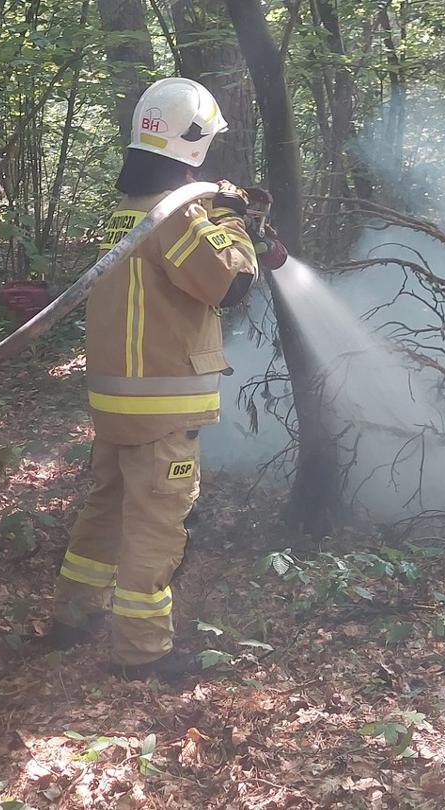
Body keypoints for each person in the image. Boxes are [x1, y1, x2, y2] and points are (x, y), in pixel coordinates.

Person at [44, 77, 287, 682]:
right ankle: (144, 652)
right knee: (157, 529)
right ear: (194, 143)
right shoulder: (177, 217)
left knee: (104, 514)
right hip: (162, 410)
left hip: (116, 403)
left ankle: (73, 619)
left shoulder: (126, 214)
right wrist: (233, 222)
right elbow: (230, 284)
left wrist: (229, 218)